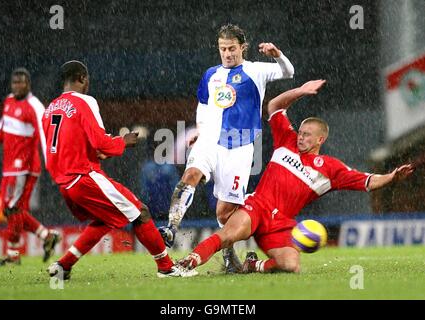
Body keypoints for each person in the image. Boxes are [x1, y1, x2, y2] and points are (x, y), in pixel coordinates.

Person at [178, 79, 414, 274]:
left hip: (280, 223)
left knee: (291, 265)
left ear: (320, 140)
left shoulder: (331, 169)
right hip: (257, 207)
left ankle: (252, 265)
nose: (301, 138)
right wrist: (300, 92)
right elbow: (274, 106)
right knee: (228, 235)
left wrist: (392, 177)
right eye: (300, 133)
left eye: (307, 135)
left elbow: (368, 181)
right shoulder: (286, 140)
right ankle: (190, 262)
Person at [159, 24, 295, 273]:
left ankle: (230, 255)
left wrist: (278, 55)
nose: (227, 53)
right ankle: (171, 227)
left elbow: (289, 72)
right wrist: (200, 129)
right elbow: (203, 105)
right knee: (191, 175)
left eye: (232, 48)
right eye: (223, 49)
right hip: (210, 140)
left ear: (243, 47)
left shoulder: (256, 71)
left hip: (240, 147)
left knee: (224, 213)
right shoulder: (211, 74)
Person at [43, 60, 196, 279]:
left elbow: (57, 148)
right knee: (140, 212)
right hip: (83, 176)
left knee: (105, 219)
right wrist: (123, 141)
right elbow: (101, 142)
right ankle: (166, 267)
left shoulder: (50, 109)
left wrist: (94, 153)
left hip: (64, 183)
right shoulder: (85, 101)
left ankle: (63, 265)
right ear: (83, 78)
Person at [0, 68, 60, 266]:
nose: (18, 86)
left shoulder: (34, 105)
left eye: (22, 82)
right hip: (9, 166)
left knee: (13, 208)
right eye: (15, 83)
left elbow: (44, 132)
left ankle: (13, 255)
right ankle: (46, 235)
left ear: (28, 84)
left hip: (25, 167)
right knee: (11, 209)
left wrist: (52, 163)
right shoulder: (9, 101)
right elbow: (1, 128)